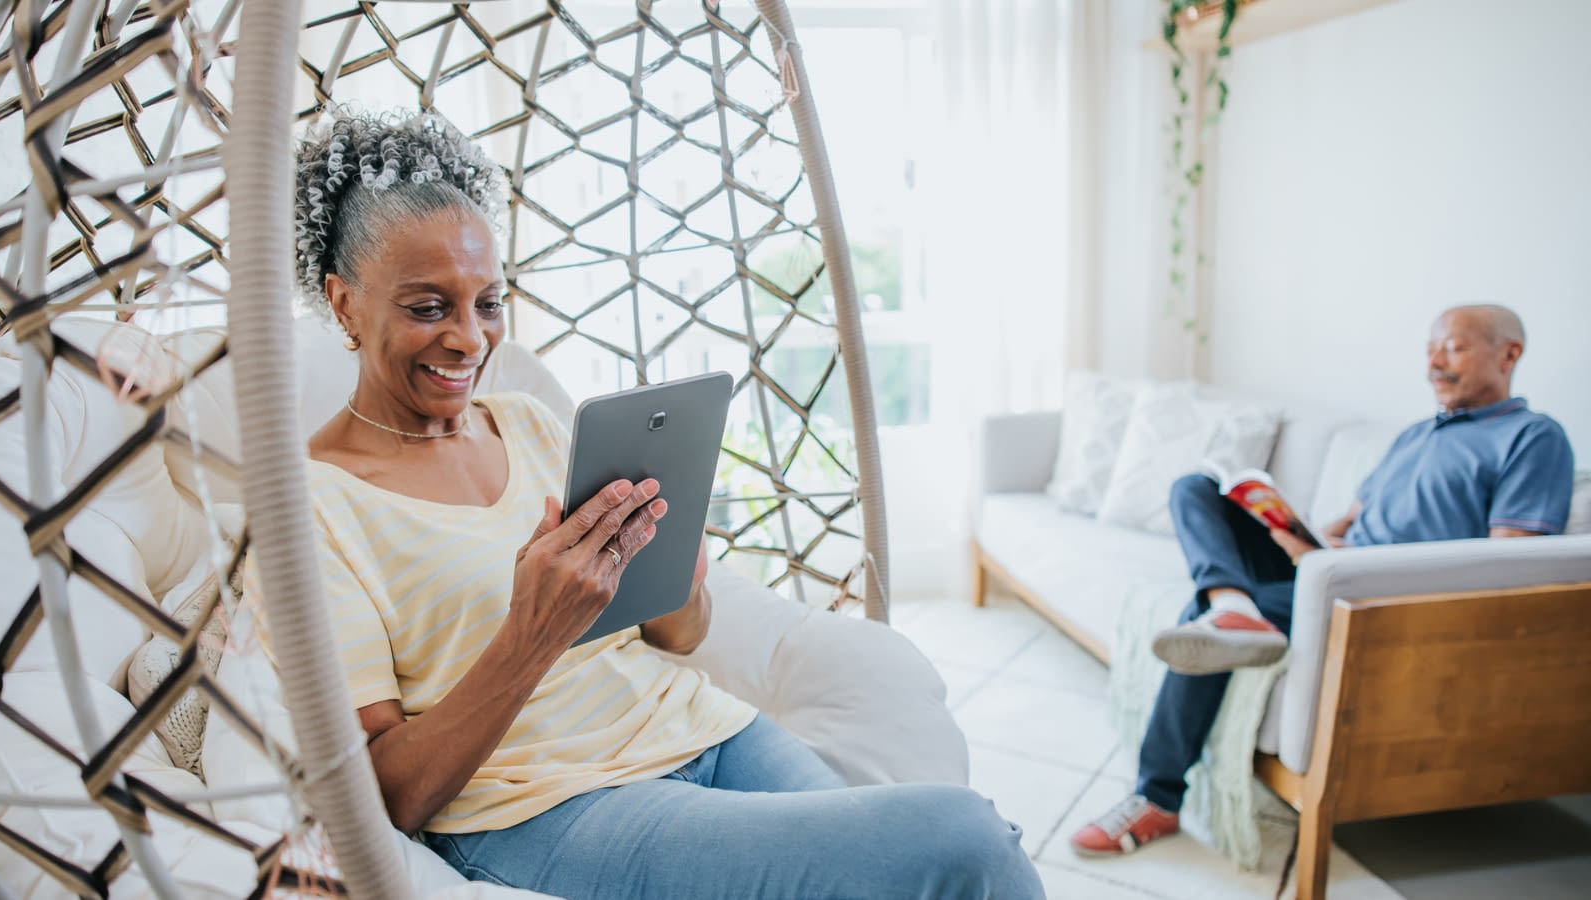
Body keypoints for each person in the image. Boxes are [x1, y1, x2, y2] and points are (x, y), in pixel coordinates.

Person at [269, 109, 1042, 899]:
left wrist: (674, 573)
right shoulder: (310, 510)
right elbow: (384, 798)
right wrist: (532, 634)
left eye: (489, 302)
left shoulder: (529, 423)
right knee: (966, 842)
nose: (470, 339)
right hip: (549, 806)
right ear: (343, 303)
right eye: (429, 307)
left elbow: (677, 635)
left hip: (708, 731)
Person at [1069, 304, 1576, 857]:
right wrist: (1298, 533)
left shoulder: (1533, 437)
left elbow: (1507, 566)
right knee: (1196, 488)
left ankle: (1157, 799)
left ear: (1510, 354)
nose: (1433, 362)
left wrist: (1349, 563)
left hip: (1377, 597)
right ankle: (1232, 602)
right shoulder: (1417, 435)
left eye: (1452, 347)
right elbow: (1346, 523)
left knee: (1197, 617)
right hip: (1326, 570)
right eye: (1430, 349)